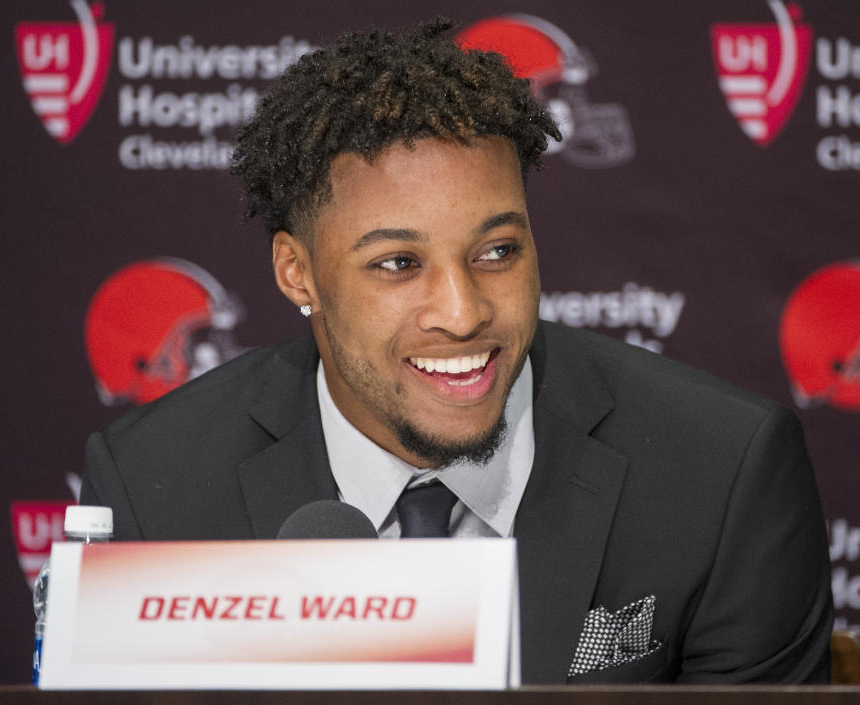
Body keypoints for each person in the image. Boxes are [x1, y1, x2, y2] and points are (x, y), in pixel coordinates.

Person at [80, 19, 832, 683]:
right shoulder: (154, 486)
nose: (464, 311)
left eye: (498, 249)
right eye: (399, 264)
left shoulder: (724, 472)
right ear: (296, 271)